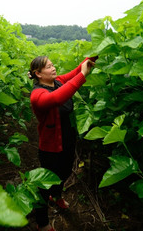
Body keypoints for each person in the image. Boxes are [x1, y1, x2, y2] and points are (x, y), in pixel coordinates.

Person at [28, 55, 97, 231]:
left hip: (67, 138)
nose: (53, 68)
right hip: (50, 146)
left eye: (53, 65)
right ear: (38, 74)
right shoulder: (38, 95)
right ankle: (42, 223)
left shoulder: (57, 81)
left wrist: (89, 59)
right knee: (45, 184)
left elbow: (74, 72)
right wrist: (82, 76)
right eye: (49, 67)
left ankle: (56, 196)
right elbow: (58, 98)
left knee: (65, 171)